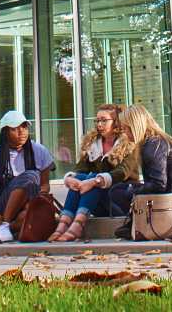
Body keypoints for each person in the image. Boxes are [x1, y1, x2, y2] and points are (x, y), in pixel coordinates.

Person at [49, 103, 129, 242]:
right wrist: (70, 179)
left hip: (119, 201)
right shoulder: (93, 143)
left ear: (116, 121)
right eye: (97, 120)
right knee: (80, 177)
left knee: (92, 177)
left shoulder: (128, 143)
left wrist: (95, 181)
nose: (99, 124)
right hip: (96, 202)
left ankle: (77, 224)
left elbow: (123, 172)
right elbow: (80, 168)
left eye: (104, 120)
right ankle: (64, 224)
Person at [103, 104, 172, 219]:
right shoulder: (159, 139)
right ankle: (135, 219)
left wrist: (132, 191)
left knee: (116, 192)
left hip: (171, 200)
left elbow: (158, 184)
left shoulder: (152, 145)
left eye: (126, 128)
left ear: (135, 126)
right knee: (121, 188)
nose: (125, 133)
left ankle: (138, 221)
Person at [0, 110, 53, 243]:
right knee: (31, 175)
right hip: (3, 203)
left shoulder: (39, 150)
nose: (21, 131)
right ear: (5, 132)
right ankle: (4, 223)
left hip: (29, 201)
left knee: (29, 214)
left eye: (24, 126)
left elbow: (45, 184)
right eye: (14, 128)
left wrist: (41, 194)